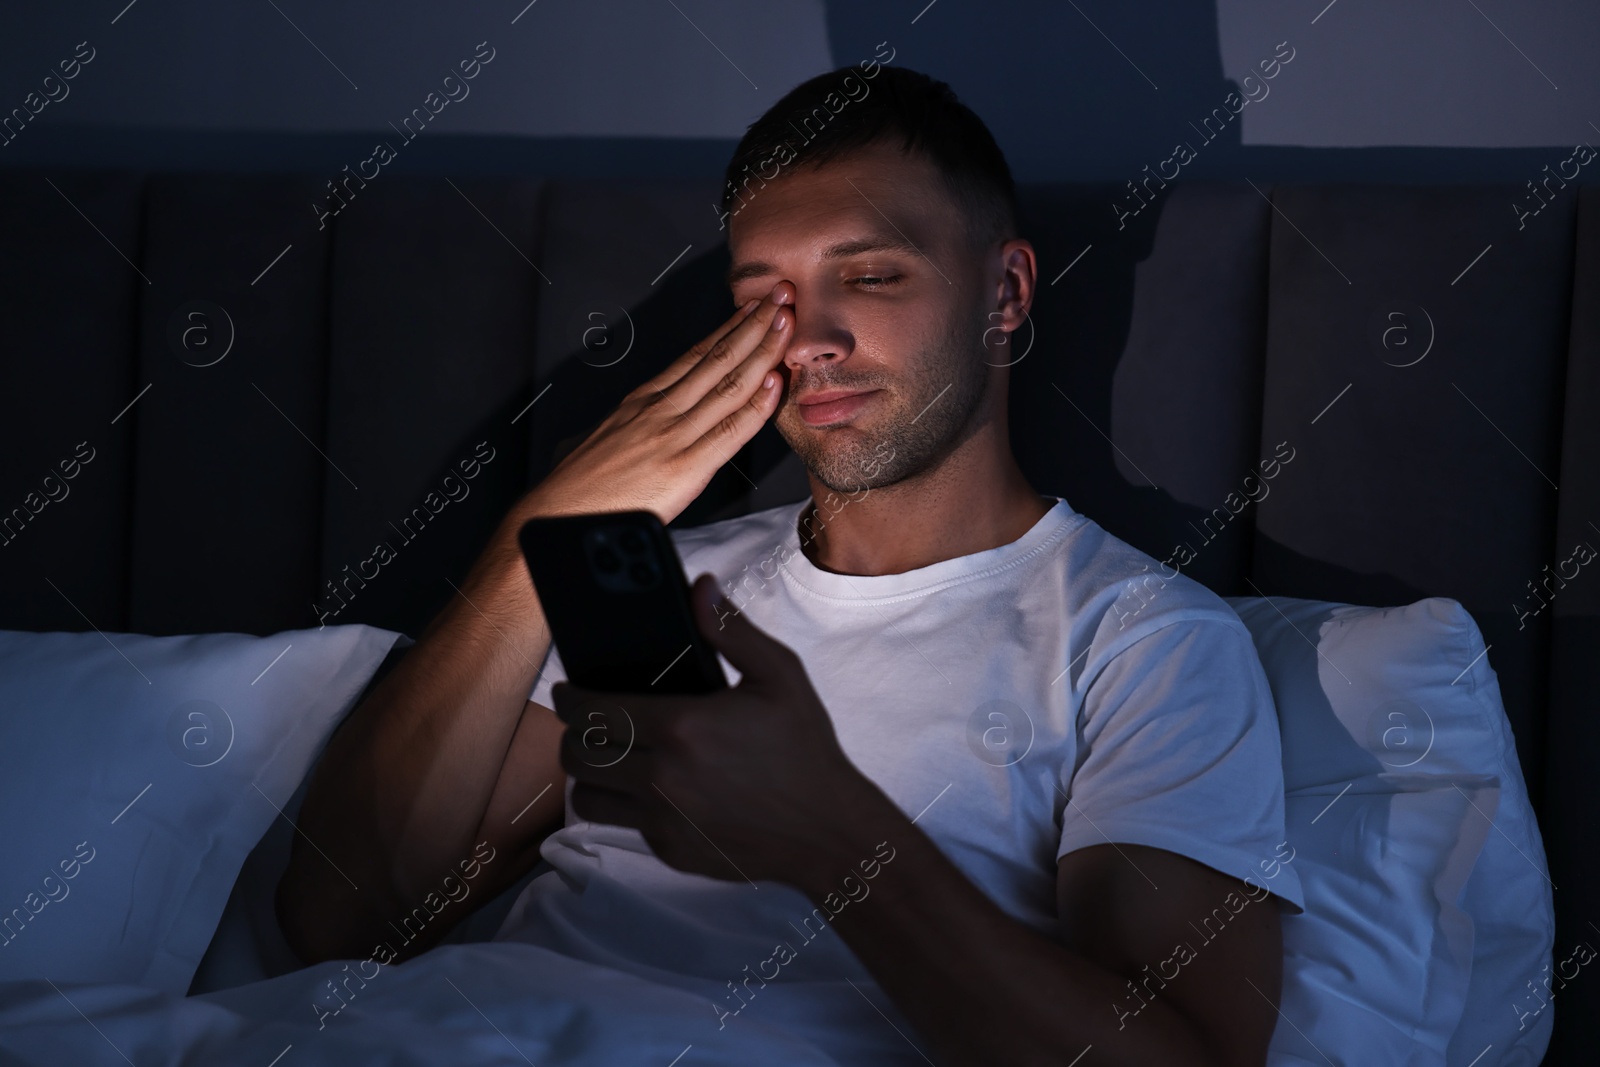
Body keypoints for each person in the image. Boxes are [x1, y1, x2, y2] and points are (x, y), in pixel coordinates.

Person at [278, 63, 1304, 1066]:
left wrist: (831, 836)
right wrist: (535, 534)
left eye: (869, 276)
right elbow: (341, 916)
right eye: (764, 296)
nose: (807, 338)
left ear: (1003, 290)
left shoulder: (1140, 642)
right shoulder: (654, 582)